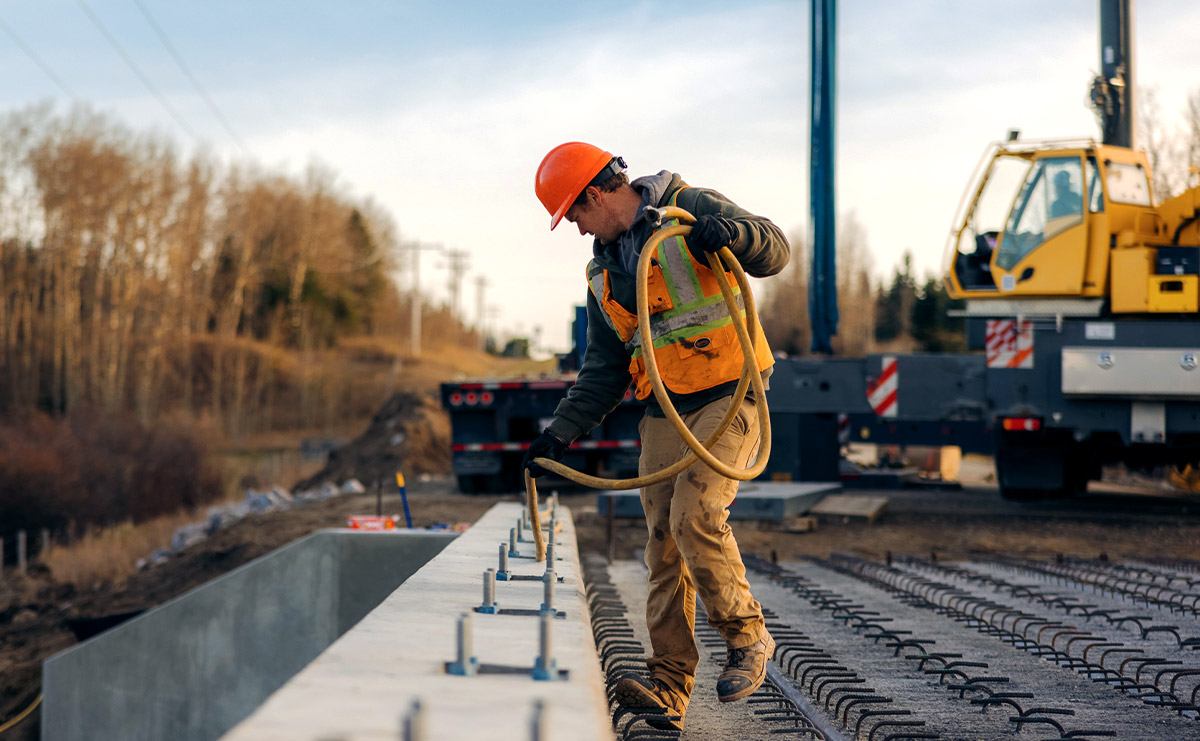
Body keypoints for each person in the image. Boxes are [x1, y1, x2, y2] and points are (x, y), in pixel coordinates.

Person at [525, 142, 790, 730]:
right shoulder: (602, 271)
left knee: (696, 516)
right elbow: (603, 369)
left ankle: (748, 638)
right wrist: (559, 436)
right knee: (664, 549)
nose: (575, 228)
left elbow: (774, 248)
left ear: (595, 194)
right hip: (664, 409)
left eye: (574, 214)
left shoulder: (685, 209)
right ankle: (670, 687)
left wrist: (732, 236)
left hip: (728, 393)